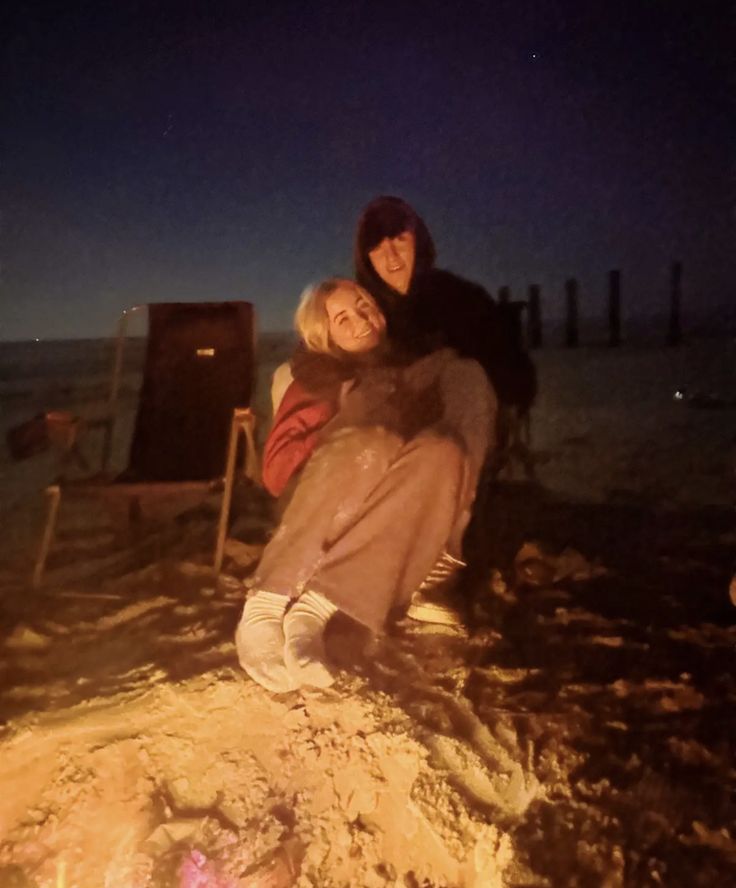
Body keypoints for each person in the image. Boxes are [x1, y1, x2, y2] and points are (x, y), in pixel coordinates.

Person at [235, 277, 495, 693]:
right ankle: (265, 605)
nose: (360, 320)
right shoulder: (316, 377)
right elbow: (277, 472)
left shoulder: (408, 366)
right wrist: (347, 425)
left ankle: (314, 610)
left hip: (389, 501)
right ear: (325, 335)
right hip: (320, 500)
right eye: (342, 318)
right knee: (374, 438)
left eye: (364, 305)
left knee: (443, 449)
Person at [354, 195, 537, 426]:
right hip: (384, 428)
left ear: (417, 242)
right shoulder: (359, 306)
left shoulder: (460, 296)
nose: (391, 256)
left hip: (453, 425)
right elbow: (318, 350)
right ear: (366, 258)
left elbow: (513, 374)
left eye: (399, 239)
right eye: (378, 247)